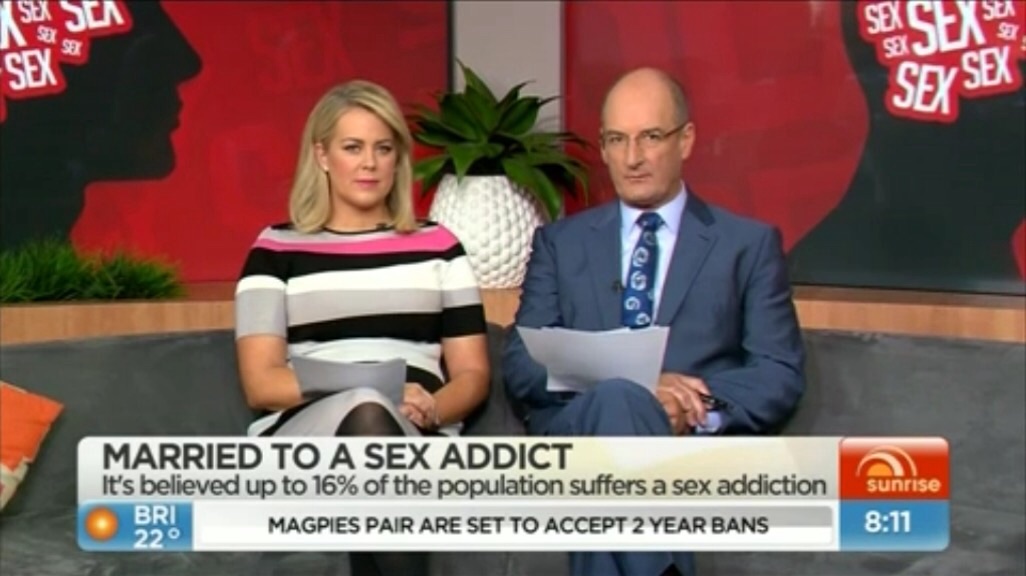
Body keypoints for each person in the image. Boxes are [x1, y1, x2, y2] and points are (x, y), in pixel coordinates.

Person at [502, 67, 806, 576]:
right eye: (616, 140)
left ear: (685, 140)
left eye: (650, 137)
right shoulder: (560, 243)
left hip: (687, 447)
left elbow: (778, 371)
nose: (632, 157)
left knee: (605, 480)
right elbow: (521, 362)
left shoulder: (746, 245)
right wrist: (638, 388)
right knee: (617, 400)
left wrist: (694, 406)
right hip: (574, 434)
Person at [234, 80, 490, 576]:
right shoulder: (274, 250)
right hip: (310, 438)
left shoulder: (440, 246)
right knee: (368, 412)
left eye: (383, 148)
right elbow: (261, 384)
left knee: (376, 433)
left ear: (398, 158)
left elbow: (474, 375)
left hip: (416, 431)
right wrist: (376, 388)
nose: (369, 163)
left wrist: (433, 408)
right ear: (322, 155)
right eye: (353, 148)